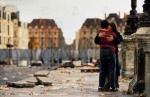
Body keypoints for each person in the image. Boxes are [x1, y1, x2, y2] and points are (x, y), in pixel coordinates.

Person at [94, 20, 117, 91]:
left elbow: (96, 41)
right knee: (112, 69)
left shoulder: (99, 33)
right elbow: (116, 40)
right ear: (107, 26)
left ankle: (100, 86)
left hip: (102, 51)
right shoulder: (111, 33)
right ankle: (112, 87)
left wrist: (99, 36)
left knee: (102, 69)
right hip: (110, 50)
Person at [104, 22, 123, 89]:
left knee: (114, 69)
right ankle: (106, 84)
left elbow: (120, 39)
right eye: (108, 28)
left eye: (111, 28)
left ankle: (115, 83)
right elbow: (96, 40)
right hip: (105, 53)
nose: (109, 29)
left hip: (114, 52)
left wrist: (114, 39)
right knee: (106, 68)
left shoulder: (116, 34)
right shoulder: (104, 32)